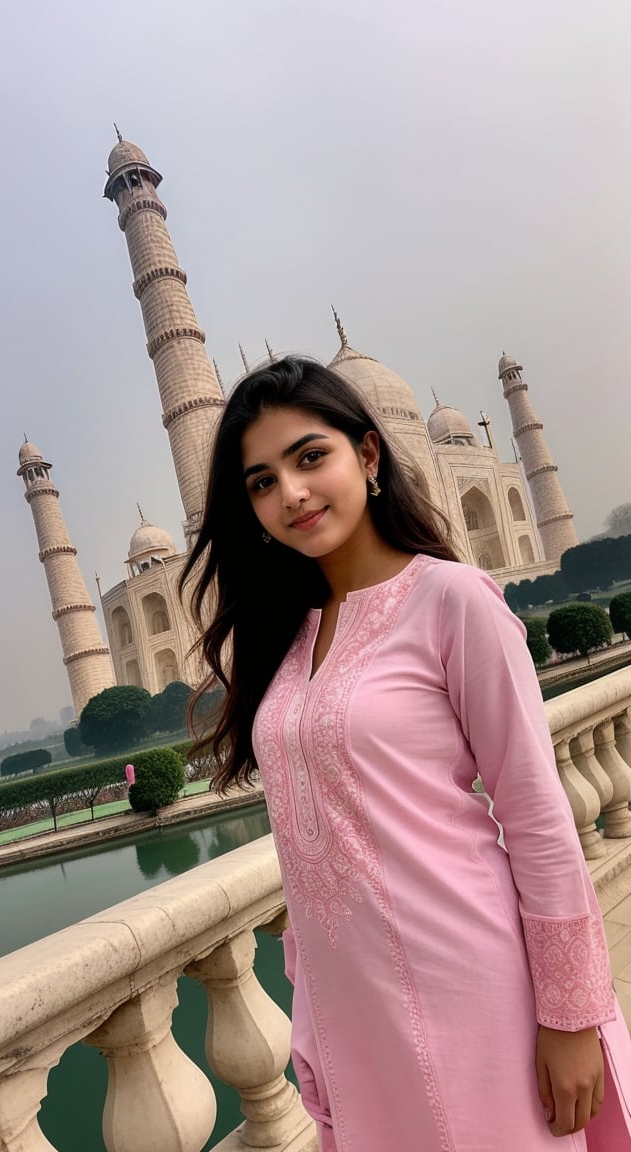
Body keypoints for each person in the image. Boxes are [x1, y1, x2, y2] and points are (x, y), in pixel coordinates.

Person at [181, 356, 631, 1151]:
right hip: (356, 1010)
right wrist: (313, 1008)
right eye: (260, 481)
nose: (290, 492)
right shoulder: (290, 640)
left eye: (309, 456)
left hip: (472, 982)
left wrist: (570, 1014)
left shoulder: (452, 601)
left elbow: (536, 818)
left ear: (368, 454)